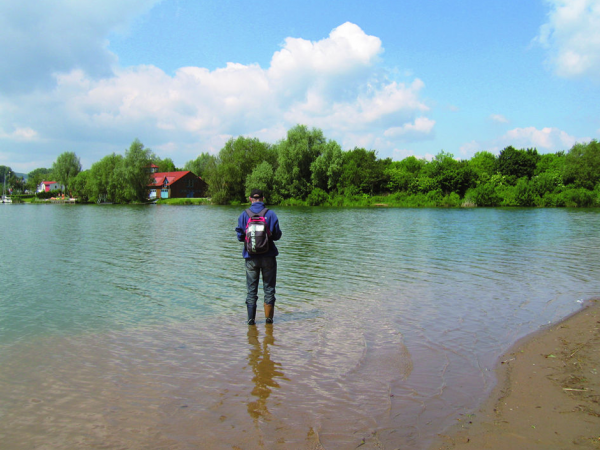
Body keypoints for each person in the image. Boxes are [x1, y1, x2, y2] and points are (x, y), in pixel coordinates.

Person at [236, 189, 282, 325]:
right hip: (268, 257)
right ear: (263, 198)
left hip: (250, 257)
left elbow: (239, 237)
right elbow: (277, 236)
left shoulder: (244, 215)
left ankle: (251, 323)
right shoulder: (271, 214)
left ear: (250, 199)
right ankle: (269, 323)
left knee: (251, 291)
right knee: (269, 290)